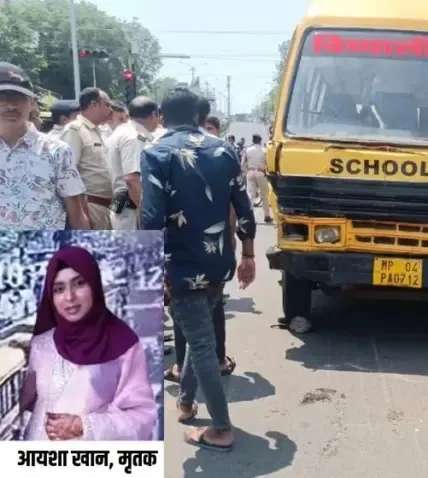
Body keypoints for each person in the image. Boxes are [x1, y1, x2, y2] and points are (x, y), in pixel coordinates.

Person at [141, 88, 256, 451]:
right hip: (218, 260)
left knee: (201, 342)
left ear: (162, 116)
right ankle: (187, 403)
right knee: (197, 333)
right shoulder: (223, 149)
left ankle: (221, 429)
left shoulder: (156, 152)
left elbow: (151, 217)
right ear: (197, 115)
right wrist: (248, 255)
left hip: (180, 263)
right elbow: (244, 207)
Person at [19, 246, 157, 440]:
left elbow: (142, 419)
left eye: (79, 283)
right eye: (59, 289)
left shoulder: (123, 344)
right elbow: (32, 403)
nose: (69, 297)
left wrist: (84, 426)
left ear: (94, 284)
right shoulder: (42, 345)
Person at [163, 97, 238, 382]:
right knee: (210, 309)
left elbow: (152, 210)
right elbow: (237, 203)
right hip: (212, 247)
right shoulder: (223, 150)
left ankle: (187, 373)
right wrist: (236, 243)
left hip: (179, 250)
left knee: (185, 312)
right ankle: (214, 362)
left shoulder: (159, 149)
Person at [0, 62, 89, 229]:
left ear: (32, 102)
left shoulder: (57, 151)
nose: (11, 105)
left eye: (18, 98)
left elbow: (76, 214)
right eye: (2, 97)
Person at [60, 87, 114, 229]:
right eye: (107, 104)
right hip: (89, 205)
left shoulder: (98, 131)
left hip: (105, 206)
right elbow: (68, 174)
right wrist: (82, 215)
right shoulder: (75, 130)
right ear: (93, 105)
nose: (110, 109)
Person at [106, 96, 160, 230]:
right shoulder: (135, 137)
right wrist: (143, 211)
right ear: (153, 115)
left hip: (121, 204)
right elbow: (132, 178)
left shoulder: (122, 131)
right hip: (131, 208)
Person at [244, 134, 274, 223]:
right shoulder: (264, 150)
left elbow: (242, 163)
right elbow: (268, 163)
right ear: (260, 141)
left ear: (253, 140)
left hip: (250, 172)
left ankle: (249, 217)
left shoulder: (247, 150)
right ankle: (267, 215)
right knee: (264, 195)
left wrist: (246, 172)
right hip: (261, 173)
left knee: (250, 195)